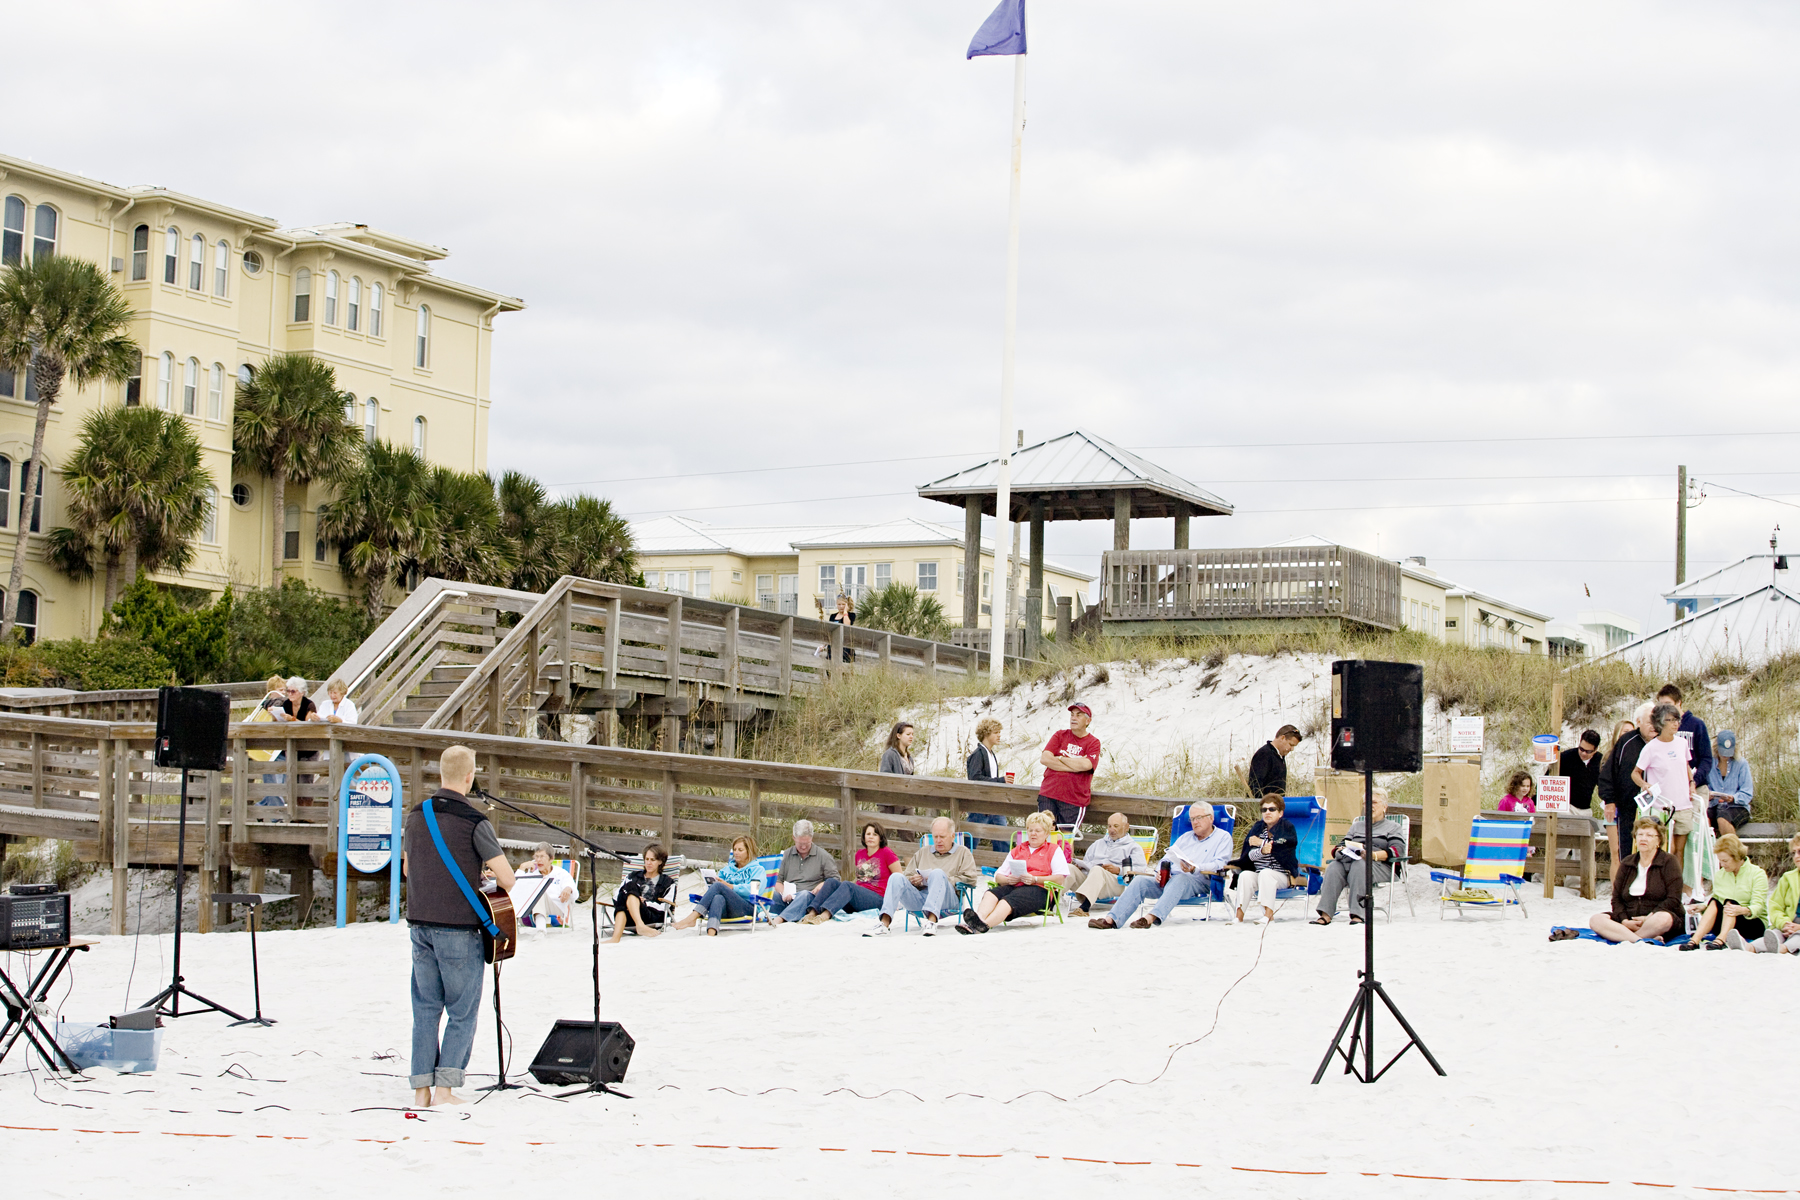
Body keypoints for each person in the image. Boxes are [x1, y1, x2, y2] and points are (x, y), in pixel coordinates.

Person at [401, 745, 514, 1108]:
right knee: (462, 1011)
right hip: (458, 928)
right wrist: (478, 876)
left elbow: (408, 869)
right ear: (470, 776)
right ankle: (445, 1090)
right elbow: (507, 879)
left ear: (441, 773)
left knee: (425, 1008)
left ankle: (421, 1090)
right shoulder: (474, 820)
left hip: (419, 924)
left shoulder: (416, 816)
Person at [1088, 803, 1232, 929]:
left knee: (1181, 878)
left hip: (1198, 881)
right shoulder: (1185, 837)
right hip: (1169, 879)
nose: (1195, 822)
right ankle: (1111, 920)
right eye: (1192, 819)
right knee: (1140, 881)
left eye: (1198, 818)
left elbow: (1220, 864)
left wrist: (1195, 867)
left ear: (1211, 818)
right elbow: (1167, 857)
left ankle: (1150, 918)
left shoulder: (1223, 837)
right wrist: (1158, 872)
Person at [957, 810, 1069, 933]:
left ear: (1047, 833)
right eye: (1030, 830)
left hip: (1040, 890)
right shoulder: (1018, 850)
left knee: (1007, 901)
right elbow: (998, 876)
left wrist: (1035, 879)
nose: (1033, 834)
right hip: (1015, 885)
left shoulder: (1053, 850)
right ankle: (978, 919)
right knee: (991, 894)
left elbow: (1060, 879)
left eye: (1038, 831)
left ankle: (983, 925)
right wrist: (1008, 880)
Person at [867, 816, 980, 935]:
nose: (938, 840)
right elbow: (906, 876)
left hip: (948, 899)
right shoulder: (923, 852)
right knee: (896, 877)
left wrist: (940, 880)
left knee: (937, 873)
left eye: (942, 837)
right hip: (920, 899)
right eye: (935, 836)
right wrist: (914, 881)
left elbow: (971, 879)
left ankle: (931, 922)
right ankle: (884, 924)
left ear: (952, 836)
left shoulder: (963, 852)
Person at [1579, 817, 1683, 944]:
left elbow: (1674, 899)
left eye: (1649, 835)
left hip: (1655, 918)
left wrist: (1649, 917)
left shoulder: (1669, 861)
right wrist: (1624, 921)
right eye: (1640, 834)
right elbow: (1616, 898)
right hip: (1629, 919)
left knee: (1663, 918)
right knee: (1596, 920)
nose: (1643, 839)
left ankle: (1631, 937)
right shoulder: (1627, 863)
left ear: (1659, 840)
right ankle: (1640, 940)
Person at [1310, 788, 1403, 926]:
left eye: (1374, 802)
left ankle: (1358, 914)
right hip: (1353, 861)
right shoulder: (1357, 826)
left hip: (1380, 866)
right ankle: (1326, 914)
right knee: (1334, 866)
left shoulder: (1393, 827)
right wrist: (1340, 850)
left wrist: (1373, 855)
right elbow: (1341, 845)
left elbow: (1397, 851)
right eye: (1365, 803)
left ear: (1385, 807)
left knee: (1360, 864)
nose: (1369, 806)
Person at [1634, 702, 1698, 883]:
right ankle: (1659, 886)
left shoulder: (1682, 743)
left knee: (1680, 850)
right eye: (1670, 720)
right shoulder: (1651, 747)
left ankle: (1676, 887)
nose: (1675, 724)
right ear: (1661, 723)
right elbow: (1635, 773)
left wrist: (1692, 782)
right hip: (1661, 807)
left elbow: (1686, 766)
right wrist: (1644, 785)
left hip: (1683, 804)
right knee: (1665, 850)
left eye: (1677, 720)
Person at [1684, 834, 1769, 951]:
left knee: (1730, 903)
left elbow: (1758, 906)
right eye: (1720, 861)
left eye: (1725, 861)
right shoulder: (1720, 874)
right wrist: (1703, 907)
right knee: (1714, 901)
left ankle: (1721, 940)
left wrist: (1742, 910)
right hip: (1726, 921)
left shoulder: (1757, 874)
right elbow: (1717, 899)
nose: (1722, 864)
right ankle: (1695, 940)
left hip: (1751, 922)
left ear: (1737, 857)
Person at [806, 821, 899, 923]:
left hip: (878, 899)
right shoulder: (859, 854)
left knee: (848, 885)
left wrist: (894, 903)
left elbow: (899, 879)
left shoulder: (887, 853)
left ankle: (825, 915)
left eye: (875, 834)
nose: (871, 837)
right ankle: (812, 913)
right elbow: (860, 880)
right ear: (863, 837)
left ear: (880, 838)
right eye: (868, 834)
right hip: (858, 898)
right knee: (831, 882)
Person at [1597, 708, 1653, 874]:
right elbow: (1608, 774)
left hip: (1654, 807)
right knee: (1624, 853)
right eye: (1649, 722)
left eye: (1656, 722)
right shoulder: (1627, 742)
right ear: (1639, 723)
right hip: (1627, 806)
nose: (1653, 726)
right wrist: (1609, 801)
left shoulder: (1661, 742)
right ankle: (1623, 887)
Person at [675, 835, 764, 935]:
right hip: (727, 909)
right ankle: (711, 933)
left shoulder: (757, 870)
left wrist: (731, 887)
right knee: (718, 897)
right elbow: (717, 889)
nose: (736, 852)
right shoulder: (727, 869)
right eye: (734, 849)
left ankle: (693, 916)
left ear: (749, 851)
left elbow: (755, 890)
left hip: (748, 908)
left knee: (718, 886)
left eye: (740, 850)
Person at [1231, 794, 1299, 923]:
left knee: (1266, 873)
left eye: (1272, 809)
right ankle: (1238, 917)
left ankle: (1268, 916)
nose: (1267, 812)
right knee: (1245, 875)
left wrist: (1261, 843)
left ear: (1280, 813)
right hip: (1259, 874)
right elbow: (1249, 855)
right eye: (1264, 810)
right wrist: (1262, 850)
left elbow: (1285, 847)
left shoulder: (1287, 827)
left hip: (1282, 875)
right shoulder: (1257, 828)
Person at [1068, 811, 1148, 915]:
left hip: (1116, 883)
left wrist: (1118, 870)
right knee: (1069, 868)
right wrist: (1081, 867)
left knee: (1097, 869)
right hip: (1091, 880)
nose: (1111, 830)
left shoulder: (1133, 847)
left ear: (1126, 827)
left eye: (1116, 826)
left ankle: (1084, 908)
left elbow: (1141, 870)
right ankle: (1050, 903)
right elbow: (1087, 862)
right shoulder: (1098, 843)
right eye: (1109, 826)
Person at [1036, 703, 1101, 829]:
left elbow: (1087, 765)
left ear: (1088, 721)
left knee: (1066, 837)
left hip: (1073, 799)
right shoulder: (1060, 735)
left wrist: (1060, 758)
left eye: (1079, 715)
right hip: (1049, 793)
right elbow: (1045, 758)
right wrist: (1074, 766)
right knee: (1044, 832)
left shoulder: (1093, 742)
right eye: (1072, 715)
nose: (1074, 718)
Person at [765, 819, 841, 926]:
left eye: (807, 843)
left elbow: (835, 880)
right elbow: (777, 881)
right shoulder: (785, 855)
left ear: (812, 838)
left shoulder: (824, 856)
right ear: (793, 837)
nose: (804, 847)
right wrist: (784, 893)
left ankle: (781, 918)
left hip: (810, 900)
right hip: (788, 898)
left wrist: (822, 884)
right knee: (770, 895)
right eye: (800, 843)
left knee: (804, 895)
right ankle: (770, 914)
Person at [1738, 834, 1800, 954]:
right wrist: (1784, 924)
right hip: (1788, 924)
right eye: (1793, 853)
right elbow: (1775, 906)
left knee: (1797, 937)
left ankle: (1782, 949)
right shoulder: (1788, 878)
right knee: (1775, 934)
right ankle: (1749, 947)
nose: (1796, 856)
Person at [1657, 683, 1713, 800]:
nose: (1665, 709)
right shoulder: (1660, 728)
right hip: (1671, 788)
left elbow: (1706, 759)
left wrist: (1694, 781)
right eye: (1661, 705)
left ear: (1678, 702)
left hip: (1696, 787)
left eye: (1668, 704)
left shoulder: (1697, 725)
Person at [608, 844, 674, 942]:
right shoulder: (632, 876)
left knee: (630, 886)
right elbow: (617, 896)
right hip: (628, 916)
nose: (648, 863)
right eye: (647, 859)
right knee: (629, 887)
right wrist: (633, 900)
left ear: (660, 861)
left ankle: (632, 929)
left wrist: (644, 903)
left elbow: (667, 906)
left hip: (650, 916)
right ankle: (617, 937)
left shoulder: (668, 882)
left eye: (652, 860)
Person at [964, 717, 1009, 850]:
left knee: (1002, 839)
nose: (999, 735)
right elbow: (975, 778)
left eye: (999, 732)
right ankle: (962, 860)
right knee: (971, 840)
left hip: (993, 803)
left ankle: (1001, 863)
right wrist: (1000, 781)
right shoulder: (978, 754)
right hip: (980, 805)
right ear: (986, 734)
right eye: (996, 732)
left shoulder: (990, 754)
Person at [510, 842, 577, 928]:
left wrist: (568, 889)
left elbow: (575, 894)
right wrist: (522, 868)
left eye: (542, 856)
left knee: (539, 892)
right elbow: (515, 890)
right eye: (536, 857)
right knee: (536, 893)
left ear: (551, 859)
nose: (538, 860)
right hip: (532, 909)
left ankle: (541, 930)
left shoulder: (561, 873)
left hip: (556, 909)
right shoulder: (532, 874)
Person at [1706, 730, 1753, 837]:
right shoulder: (1710, 763)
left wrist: (1733, 798)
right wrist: (1708, 794)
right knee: (1703, 817)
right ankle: (1708, 846)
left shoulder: (1741, 764)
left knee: (1723, 816)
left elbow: (1747, 793)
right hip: (1714, 804)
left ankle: (1732, 847)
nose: (1725, 755)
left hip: (1737, 806)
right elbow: (1704, 786)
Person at [1558, 730, 1605, 824]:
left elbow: (1605, 785)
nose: (1583, 753)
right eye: (1581, 749)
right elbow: (1549, 779)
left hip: (1586, 809)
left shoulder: (1600, 761)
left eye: (1588, 751)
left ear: (1595, 750)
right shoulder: (1566, 757)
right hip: (1566, 807)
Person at [1246, 725, 1302, 799]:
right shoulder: (1264, 754)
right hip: (1265, 805)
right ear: (1282, 738)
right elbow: (1255, 786)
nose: (1292, 749)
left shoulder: (1279, 756)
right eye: (1291, 745)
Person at [828, 593, 856, 662]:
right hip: (833, 645)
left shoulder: (851, 615)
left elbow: (847, 625)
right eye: (839, 604)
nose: (841, 606)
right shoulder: (832, 616)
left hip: (845, 646)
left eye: (843, 604)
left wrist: (845, 612)